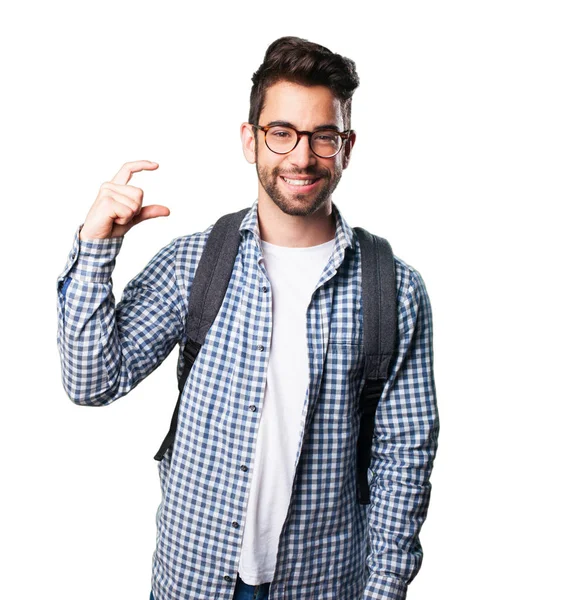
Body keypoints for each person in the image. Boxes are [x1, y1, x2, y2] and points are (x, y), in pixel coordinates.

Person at [56, 36, 439, 600]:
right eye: (281, 133)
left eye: (323, 137)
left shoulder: (393, 288)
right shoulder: (195, 262)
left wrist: (384, 589)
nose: (302, 157)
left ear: (347, 145)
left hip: (324, 581)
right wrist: (94, 249)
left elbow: (404, 456)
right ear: (250, 140)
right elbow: (91, 383)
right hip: (193, 576)